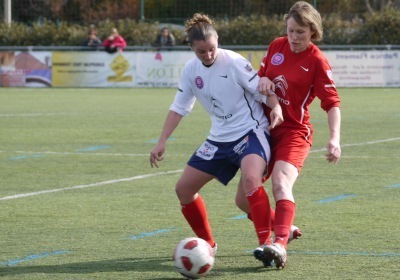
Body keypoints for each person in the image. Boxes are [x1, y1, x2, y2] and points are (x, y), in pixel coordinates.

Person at [149, 13, 284, 264]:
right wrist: (161, 141)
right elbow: (179, 106)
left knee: (252, 180)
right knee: (184, 190)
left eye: (212, 48)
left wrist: (275, 106)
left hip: (250, 132)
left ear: (217, 40)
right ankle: (208, 246)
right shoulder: (190, 70)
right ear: (191, 48)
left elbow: (261, 90)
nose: (208, 55)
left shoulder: (234, 62)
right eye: (201, 51)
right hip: (219, 139)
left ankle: (267, 243)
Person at [254, 1, 342, 269]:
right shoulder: (276, 45)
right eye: (290, 30)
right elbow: (259, 80)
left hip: (294, 132)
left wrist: (334, 138)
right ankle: (286, 228)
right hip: (264, 128)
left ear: (312, 32)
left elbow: (332, 103)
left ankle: (279, 244)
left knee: (281, 182)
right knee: (244, 197)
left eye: (300, 32)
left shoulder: (316, 60)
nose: (293, 37)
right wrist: (264, 82)